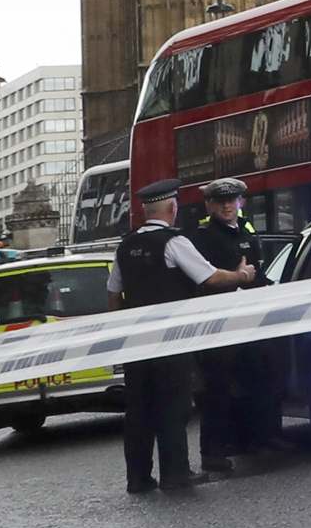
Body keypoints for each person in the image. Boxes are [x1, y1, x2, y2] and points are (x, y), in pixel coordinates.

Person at [108, 179, 259, 496]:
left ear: (145, 210)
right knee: (172, 405)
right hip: (171, 340)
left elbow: (113, 295)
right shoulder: (174, 243)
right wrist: (242, 276)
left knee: (138, 410)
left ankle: (138, 478)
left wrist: (126, 327)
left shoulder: (125, 245)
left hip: (136, 342)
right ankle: (175, 474)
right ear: (173, 208)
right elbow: (211, 277)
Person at [182, 179, 274, 467]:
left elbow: (258, 273)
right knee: (216, 389)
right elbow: (203, 279)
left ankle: (253, 442)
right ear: (209, 205)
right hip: (217, 324)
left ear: (241, 203)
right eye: (220, 201)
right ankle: (214, 452)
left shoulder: (246, 231)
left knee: (254, 380)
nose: (227, 206)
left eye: (232, 200)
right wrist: (237, 277)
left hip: (250, 320)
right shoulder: (201, 237)